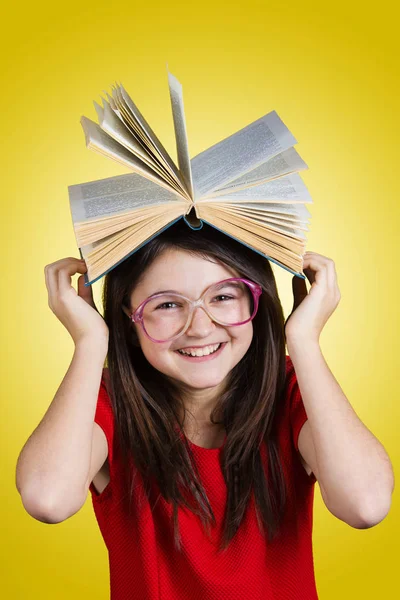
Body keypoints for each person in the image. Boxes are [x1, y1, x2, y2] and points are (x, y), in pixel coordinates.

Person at [16, 219, 394, 599]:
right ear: (129, 321)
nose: (199, 327)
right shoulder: (103, 403)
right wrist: (90, 341)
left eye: (223, 297)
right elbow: (48, 499)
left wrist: (303, 339)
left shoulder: (295, 389)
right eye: (166, 304)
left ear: (256, 300)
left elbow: (365, 504)